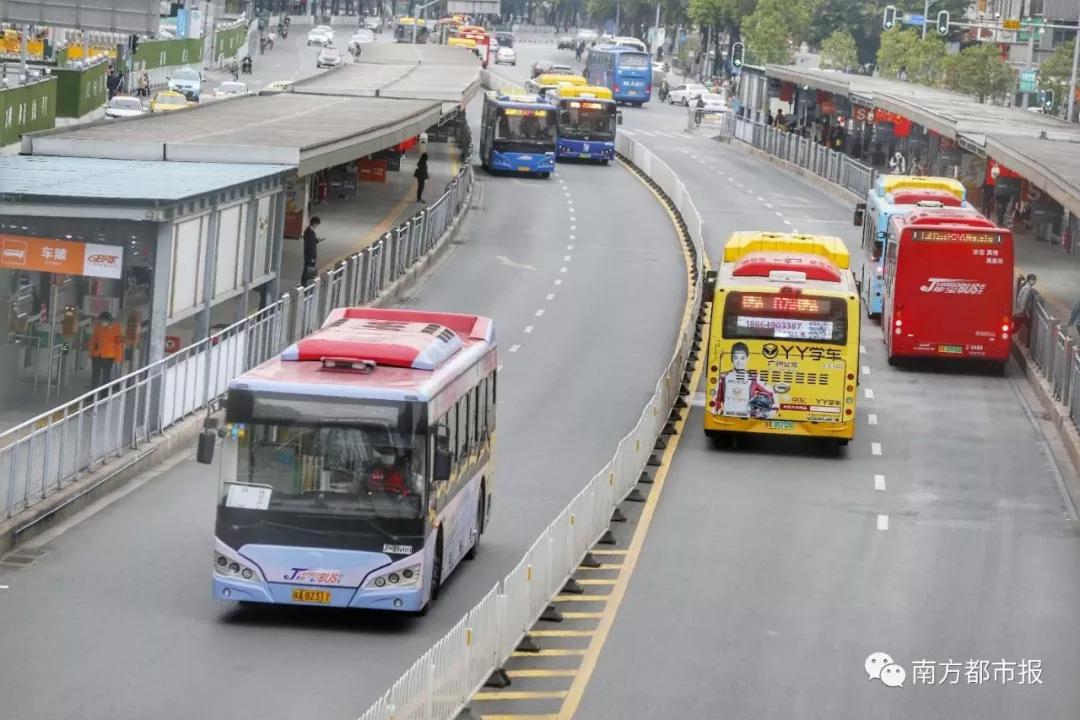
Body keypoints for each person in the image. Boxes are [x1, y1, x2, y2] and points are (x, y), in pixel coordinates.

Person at [89, 311, 124, 388]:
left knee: (106, 376)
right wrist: (91, 353)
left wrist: (118, 358)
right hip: (97, 355)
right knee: (95, 375)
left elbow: (119, 344)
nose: (102, 323)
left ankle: (104, 395)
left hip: (109, 356)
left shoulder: (116, 328)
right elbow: (93, 340)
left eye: (104, 321)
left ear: (109, 321)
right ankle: (92, 394)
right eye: (100, 321)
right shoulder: (97, 327)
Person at [1015, 273, 1037, 342]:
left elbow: (1019, 299)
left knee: (1018, 326)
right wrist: (1024, 311)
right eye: (1032, 280)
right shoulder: (1027, 289)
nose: (1033, 281)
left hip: (1022, 312)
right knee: (1026, 328)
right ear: (1028, 280)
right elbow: (1024, 301)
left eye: (1034, 280)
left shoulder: (1026, 287)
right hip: (1023, 312)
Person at [301, 216, 322, 286]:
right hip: (310, 256)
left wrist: (317, 240)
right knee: (309, 270)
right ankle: (306, 284)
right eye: (317, 224)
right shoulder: (309, 232)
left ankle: (308, 283)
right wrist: (312, 258)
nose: (317, 226)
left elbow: (311, 242)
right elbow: (310, 246)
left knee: (308, 269)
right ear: (314, 223)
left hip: (309, 256)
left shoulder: (309, 231)